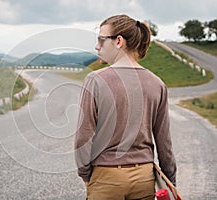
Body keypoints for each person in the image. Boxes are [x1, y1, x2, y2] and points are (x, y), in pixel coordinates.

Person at [74, 14, 177, 200]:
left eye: (101, 40)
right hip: (144, 179)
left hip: (107, 177)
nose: (97, 46)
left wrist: (86, 174)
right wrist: (170, 181)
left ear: (119, 41)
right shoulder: (157, 83)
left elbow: (83, 137)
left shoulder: (95, 80)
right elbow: (164, 142)